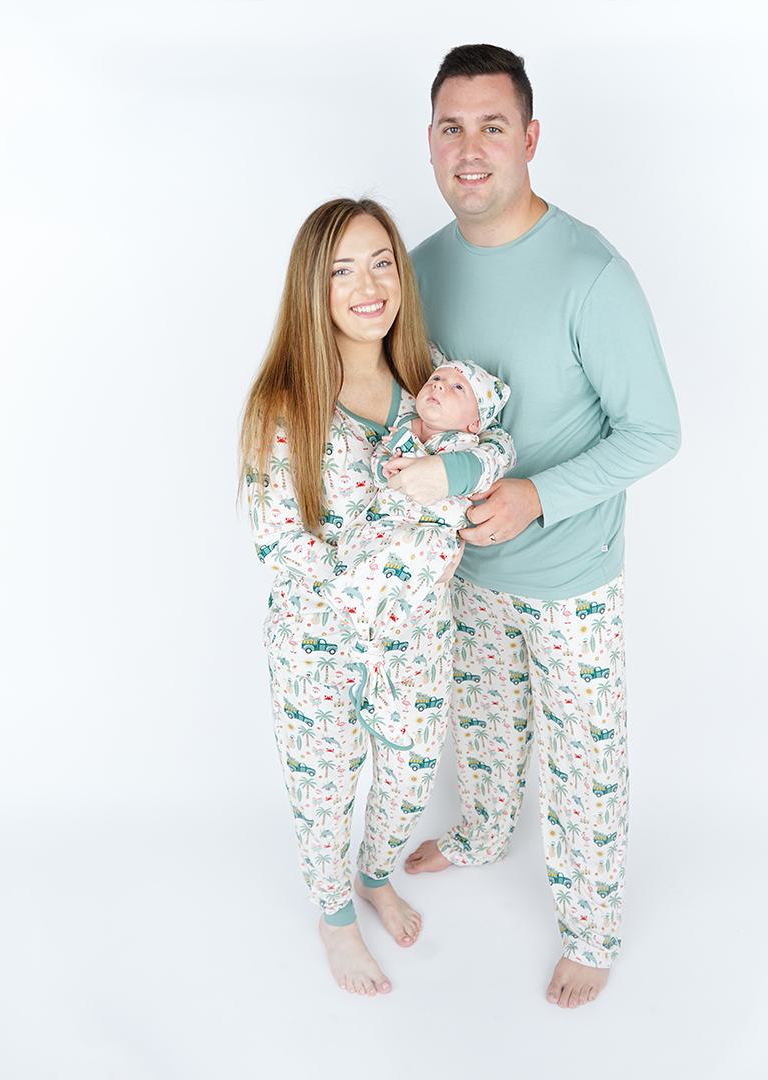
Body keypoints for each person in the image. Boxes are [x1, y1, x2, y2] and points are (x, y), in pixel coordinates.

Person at [395, 44, 682, 1009]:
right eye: (451, 126)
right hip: (465, 576)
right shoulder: (419, 271)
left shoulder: (591, 271)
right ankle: (482, 831)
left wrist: (540, 495)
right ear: (430, 141)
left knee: (584, 763)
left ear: (529, 138)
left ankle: (593, 929)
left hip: (573, 577)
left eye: (491, 126)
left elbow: (656, 432)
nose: (470, 148)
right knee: (481, 732)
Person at [239, 197, 512, 997]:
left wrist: (450, 473)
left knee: (409, 773)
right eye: (343, 269)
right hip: (318, 646)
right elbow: (280, 543)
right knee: (323, 789)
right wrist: (401, 550)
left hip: (416, 645)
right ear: (312, 289)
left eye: (383, 261)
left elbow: (496, 441)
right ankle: (334, 918)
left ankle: (375, 871)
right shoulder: (285, 406)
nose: (369, 285)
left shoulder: (428, 378)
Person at [335, 354, 512, 713]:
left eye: (457, 387)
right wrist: (384, 466)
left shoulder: (470, 447)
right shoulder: (405, 428)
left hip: (433, 537)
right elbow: (379, 459)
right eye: (435, 380)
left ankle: (377, 649)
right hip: (385, 526)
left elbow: (492, 464)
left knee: (411, 568)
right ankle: (360, 618)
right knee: (362, 552)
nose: (439, 386)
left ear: (474, 421)